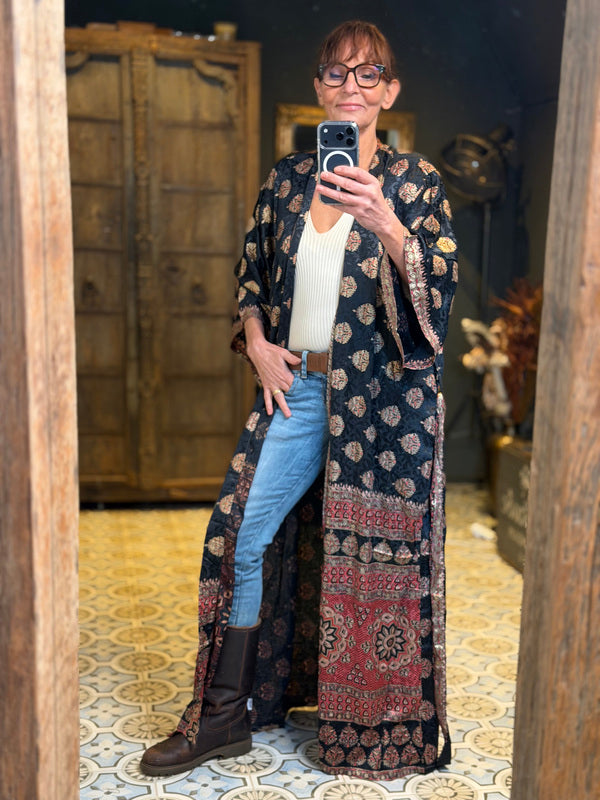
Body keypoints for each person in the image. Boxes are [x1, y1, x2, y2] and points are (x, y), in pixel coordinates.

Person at [141, 19, 457, 781]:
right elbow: (251, 274)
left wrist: (384, 222)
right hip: (300, 392)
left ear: (390, 92)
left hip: (385, 407)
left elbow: (437, 295)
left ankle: (371, 723)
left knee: (374, 562)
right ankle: (224, 716)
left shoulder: (414, 183)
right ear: (318, 87)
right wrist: (256, 342)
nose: (352, 87)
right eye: (337, 73)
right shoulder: (286, 180)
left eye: (368, 74)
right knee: (241, 536)